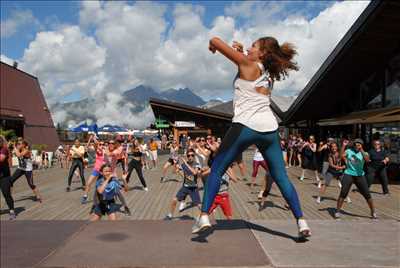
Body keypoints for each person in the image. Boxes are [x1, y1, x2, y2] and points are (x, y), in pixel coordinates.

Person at [191, 36, 311, 238]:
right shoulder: (268, 74)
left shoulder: (247, 63)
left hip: (245, 126)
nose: (248, 47)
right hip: (269, 130)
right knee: (281, 178)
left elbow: (214, 40)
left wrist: (214, 46)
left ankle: (203, 216)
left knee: (217, 169)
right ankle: (301, 222)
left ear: (262, 53)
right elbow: (248, 76)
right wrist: (241, 52)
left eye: (253, 46)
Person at [335, 139, 376, 219]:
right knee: (343, 192)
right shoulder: (349, 151)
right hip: (349, 173)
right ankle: (337, 211)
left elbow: (367, 160)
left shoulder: (364, 153)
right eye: (356, 144)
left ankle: (373, 211)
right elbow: (340, 156)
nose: (357, 145)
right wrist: (343, 145)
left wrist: (361, 150)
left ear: (362, 145)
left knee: (367, 194)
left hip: (360, 175)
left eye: (359, 144)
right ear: (354, 145)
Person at [165, 149, 201, 220]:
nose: (190, 157)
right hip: (185, 187)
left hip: (193, 188)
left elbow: (194, 173)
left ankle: (203, 217)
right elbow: (174, 172)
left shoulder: (196, 164)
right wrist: (175, 164)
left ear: (194, 156)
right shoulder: (183, 165)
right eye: (188, 155)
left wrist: (185, 163)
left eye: (192, 155)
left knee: (199, 205)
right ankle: (170, 215)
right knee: (174, 200)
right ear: (187, 156)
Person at [81, 140, 105, 204]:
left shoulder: (105, 151)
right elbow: (86, 147)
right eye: (100, 144)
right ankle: (85, 196)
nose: (101, 146)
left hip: (103, 172)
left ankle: (105, 199)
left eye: (103, 145)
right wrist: (90, 139)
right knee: (88, 183)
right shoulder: (97, 151)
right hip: (96, 170)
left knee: (102, 186)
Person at [0, 135, 16, 220]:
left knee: (6, 194)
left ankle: (12, 211)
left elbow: (1, 159)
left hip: (4, 177)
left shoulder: (4, 149)